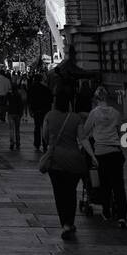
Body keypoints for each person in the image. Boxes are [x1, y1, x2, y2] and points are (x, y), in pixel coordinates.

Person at [41, 88, 86, 241]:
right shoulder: (75, 118)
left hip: (55, 161)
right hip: (74, 161)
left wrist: (53, 144)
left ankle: (65, 224)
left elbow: (45, 136)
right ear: (69, 102)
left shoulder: (49, 116)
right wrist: (92, 156)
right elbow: (82, 139)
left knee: (59, 194)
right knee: (71, 193)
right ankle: (70, 222)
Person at [80, 87, 127, 228]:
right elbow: (120, 132)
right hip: (115, 152)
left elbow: (85, 131)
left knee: (105, 184)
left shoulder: (94, 114)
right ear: (107, 98)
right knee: (119, 186)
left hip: (101, 152)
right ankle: (122, 217)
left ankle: (106, 211)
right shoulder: (116, 113)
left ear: (95, 99)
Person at [28, 73, 53, 151]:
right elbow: (50, 100)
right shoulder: (45, 89)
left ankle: (37, 144)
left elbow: (30, 100)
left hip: (36, 111)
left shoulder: (32, 88)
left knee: (37, 127)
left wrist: (30, 110)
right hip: (45, 110)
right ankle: (45, 144)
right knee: (44, 128)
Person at [6, 82, 23, 150]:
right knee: (17, 130)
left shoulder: (9, 95)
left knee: (11, 129)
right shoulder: (18, 95)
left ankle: (12, 143)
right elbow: (20, 105)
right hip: (17, 113)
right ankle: (18, 143)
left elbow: (5, 101)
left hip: (10, 113)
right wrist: (21, 113)